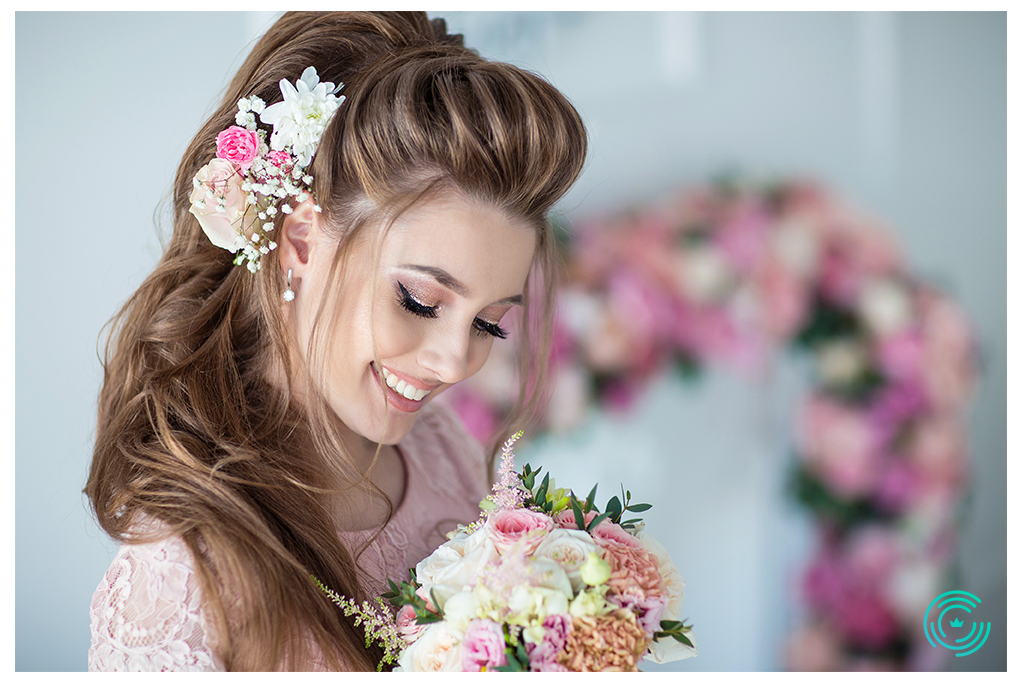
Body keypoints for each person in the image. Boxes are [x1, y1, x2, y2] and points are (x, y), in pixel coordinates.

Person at [85, 11, 587, 672]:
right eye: (420, 300)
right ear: (300, 240)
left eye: (490, 322)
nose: (454, 361)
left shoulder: (442, 454)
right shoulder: (181, 584)